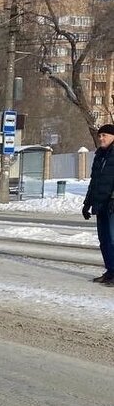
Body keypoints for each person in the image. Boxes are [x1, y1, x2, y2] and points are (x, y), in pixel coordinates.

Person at [82, 122, 114, 285]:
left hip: (112, 205)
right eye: (99, 135)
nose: (101, 138)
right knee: (105, 240)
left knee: (113, 239)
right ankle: (110, 271)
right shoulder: (100, 155)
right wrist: (87, 204)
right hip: (100, 204)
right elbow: (95, 182)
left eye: (104, 135)